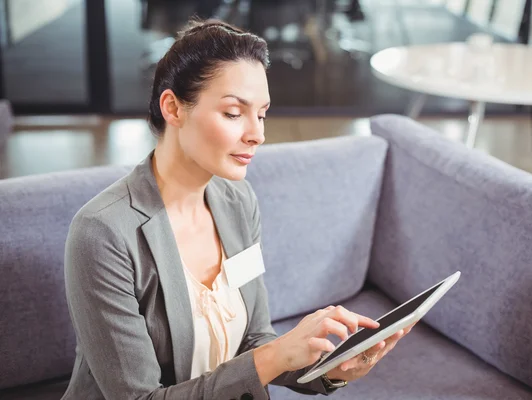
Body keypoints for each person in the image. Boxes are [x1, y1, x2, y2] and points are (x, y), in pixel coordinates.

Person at [61, 18, 413, 400]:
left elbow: (252, 338)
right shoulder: (104, 232)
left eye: (261, 114)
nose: (257, 134)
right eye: (233, 113)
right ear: (173, 108)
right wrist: (276, 354)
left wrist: (329, 369)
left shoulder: (237, 202)